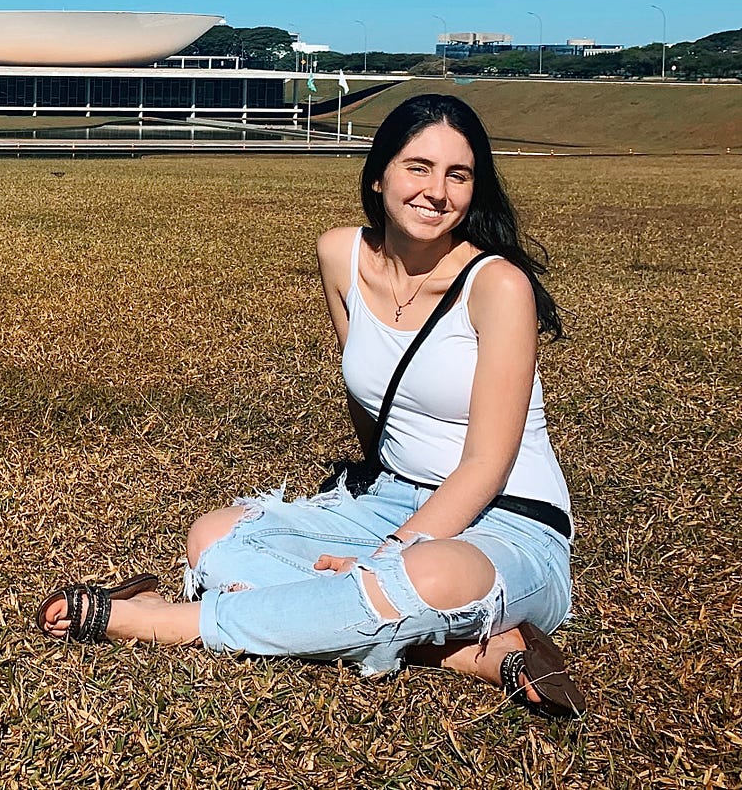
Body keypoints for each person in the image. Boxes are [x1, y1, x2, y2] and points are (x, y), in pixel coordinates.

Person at [36, 94, 585, 719]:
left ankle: (165, 621)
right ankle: (478, 654)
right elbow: (370, 398)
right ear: (379, 175)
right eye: (418, 167)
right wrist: (372, 522)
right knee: (215, 538)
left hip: (506, 520)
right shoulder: (342, 255)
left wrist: (391, 551)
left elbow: (488, 462)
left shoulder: (498, 285)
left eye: (458, 175)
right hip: (391, 497)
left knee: (424, 578)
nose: (436, 191)